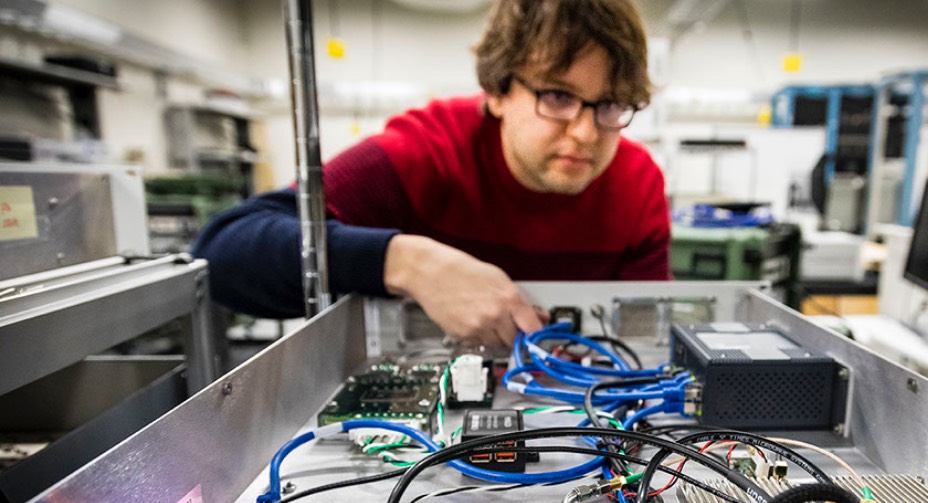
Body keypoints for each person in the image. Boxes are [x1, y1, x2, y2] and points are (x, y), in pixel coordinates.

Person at [192, 0, 670, 347]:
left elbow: (645, 342)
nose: (586, 132)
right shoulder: (426, 153)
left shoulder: (637, 184)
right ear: (497, 90)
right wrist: (405, 263)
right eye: (558, 97)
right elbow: (224, 251)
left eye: (610, 105)